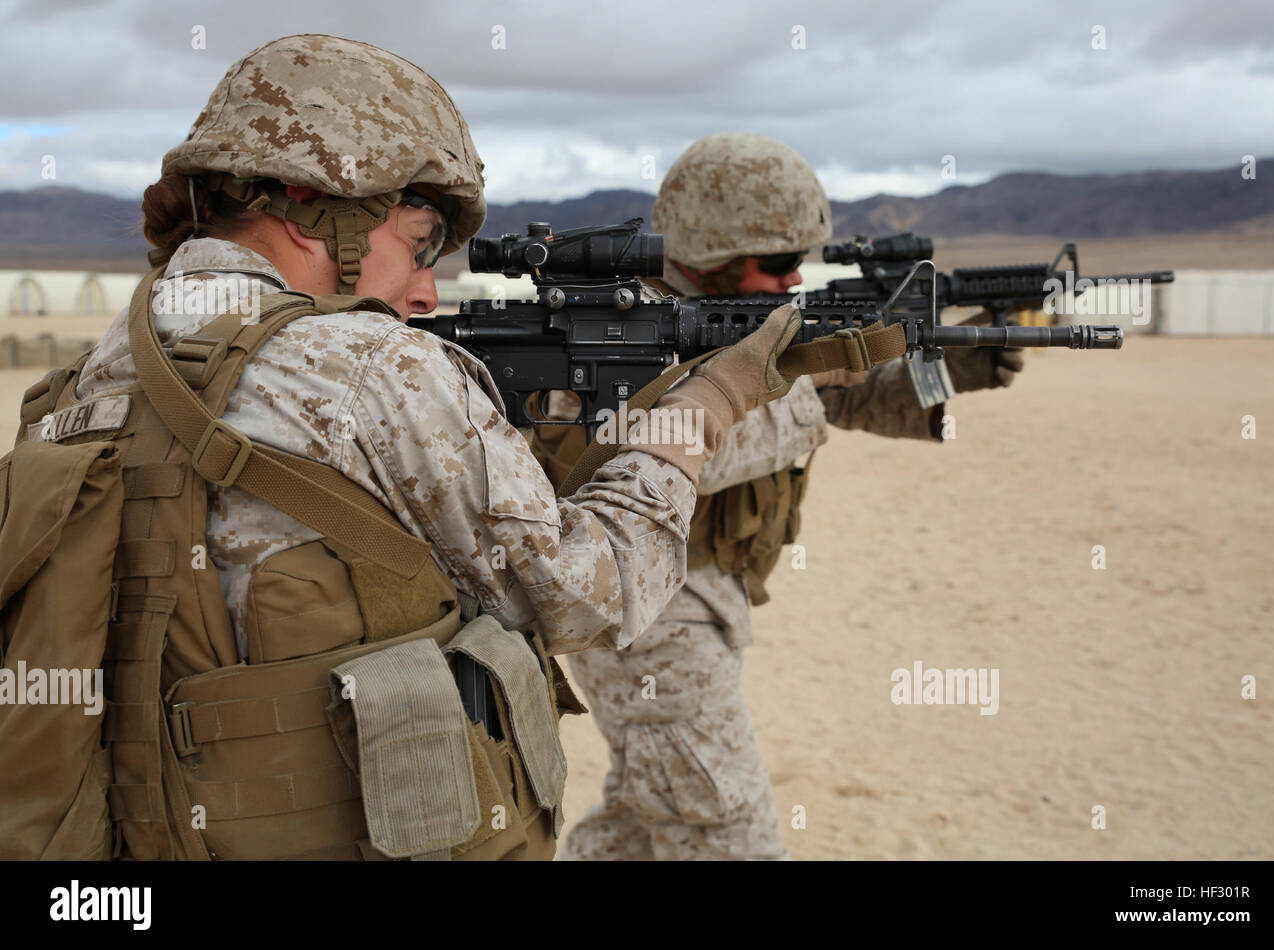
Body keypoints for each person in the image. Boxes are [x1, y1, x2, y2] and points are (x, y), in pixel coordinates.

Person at [0, 39, 809, 862]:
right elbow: (584, 595)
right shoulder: (374, 367)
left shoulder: (83, 379)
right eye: (419, 241)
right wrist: (701, 410)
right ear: (321, 203)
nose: (425, 289)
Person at [529, 132, 1023, 860]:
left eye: (803, 261)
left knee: (643, 820)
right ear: (709, 253)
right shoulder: (622, 334)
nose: (797, 281)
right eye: (780, 262)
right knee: (726, 830)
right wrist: (806, 378)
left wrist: (949, 371)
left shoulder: (753, 321)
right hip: (648, 619)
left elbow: (833, 396)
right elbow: (665, 452)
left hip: (703, 600)